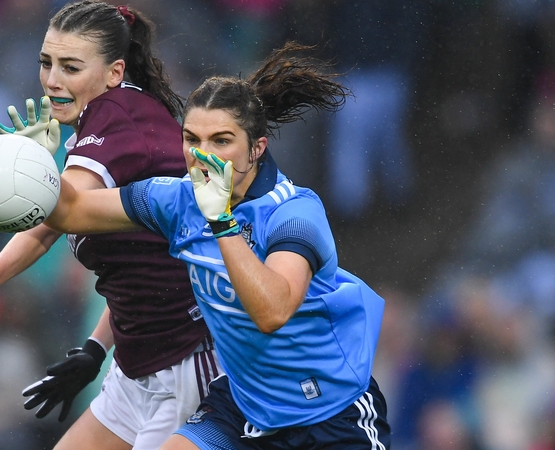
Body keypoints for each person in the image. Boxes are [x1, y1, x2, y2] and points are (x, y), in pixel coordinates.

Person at [42, 41, 391, 449]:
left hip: (331, 414)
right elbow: (70, 210)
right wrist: (34, 170)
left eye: (221, 141)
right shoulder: (178, 200)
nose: (203, 156)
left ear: (257, 148)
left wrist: (221, 220)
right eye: (192, 139)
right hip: (243, 409)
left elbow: (272, 311)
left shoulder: (294, 213)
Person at [0, 1, 220, 449]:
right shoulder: (100, 121)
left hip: (190, 362)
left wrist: (32, 171)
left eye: (71, 67)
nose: (53, 80)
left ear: (114, 72)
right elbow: (131, 264)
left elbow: (66, 210)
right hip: (139, 363)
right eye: (47, 63)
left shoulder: (117, 115)